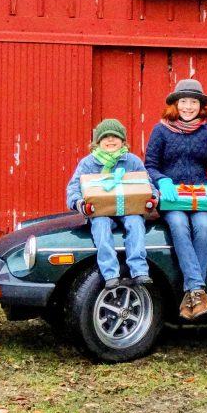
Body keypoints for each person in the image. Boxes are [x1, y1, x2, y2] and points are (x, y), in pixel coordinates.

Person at [145, 79, 207, 321]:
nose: (188, 106)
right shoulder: (160, 130)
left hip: (202, 196)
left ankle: (193, 290)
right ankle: (196, 290)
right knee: (180, 226)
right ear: (176, 104)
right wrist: (162, 181)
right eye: (184, 101)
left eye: (193, 102)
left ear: (200, 106)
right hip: (172, 197)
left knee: (203, 227)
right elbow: (150, 165)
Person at [66, 118, 153, 290]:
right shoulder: (88, 163)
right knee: (100, 225)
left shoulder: (132, 161)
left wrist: (152, 198)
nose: (111, 140)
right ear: (97, 142)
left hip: (129, 209)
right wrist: (80, 204)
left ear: (123, 141)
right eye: (106, 137)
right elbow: (73, 189)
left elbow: (147, 183)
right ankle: (110, 273)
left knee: (136, 223)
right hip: (101, 212)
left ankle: (139, 270)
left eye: (115, 136)